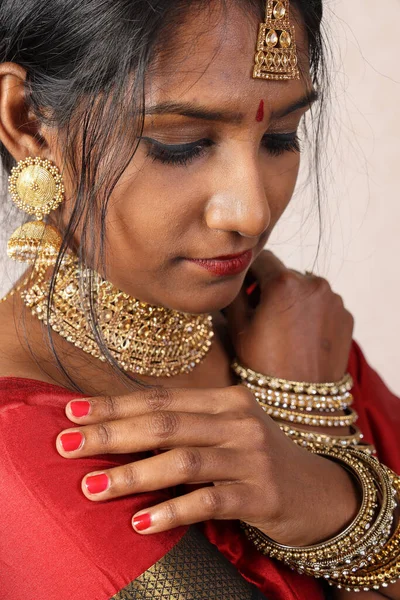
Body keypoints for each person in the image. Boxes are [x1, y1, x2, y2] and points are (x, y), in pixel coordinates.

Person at [0, 0, 399, 598]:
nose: (252, 212)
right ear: (28, 122)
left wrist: (322, 475)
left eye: (281, 137)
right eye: (181, 144)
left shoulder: (287, 324)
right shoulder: (24, 445)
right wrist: (315, 426)